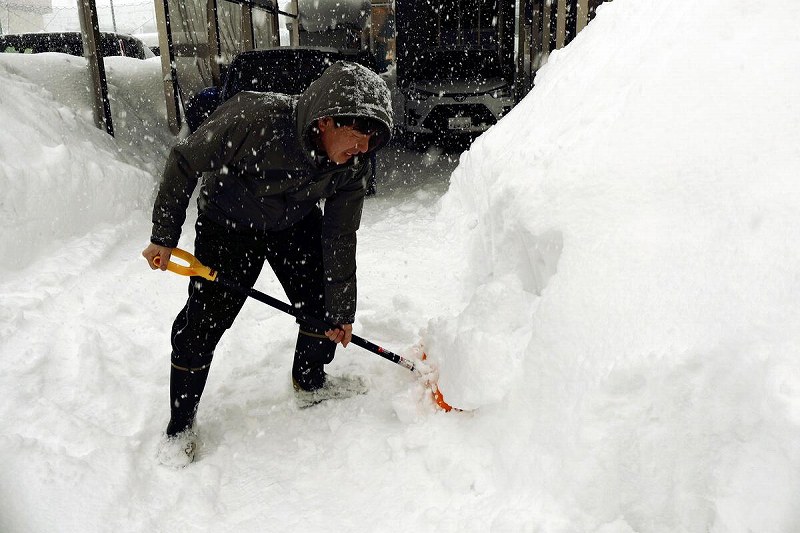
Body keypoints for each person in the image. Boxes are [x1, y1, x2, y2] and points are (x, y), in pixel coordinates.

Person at [142, 61, 393, 467]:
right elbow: (186, 160)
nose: (364, 149)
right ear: (327, 120)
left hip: (293, 223)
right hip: (229, 224)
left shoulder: (352, 164)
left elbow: (340, 236)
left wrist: (341, 311)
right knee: (204, 323)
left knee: (321, 303)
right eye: (360, 134)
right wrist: (164, 236)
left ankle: (310, 381)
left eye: (373, 140)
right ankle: (180, 425)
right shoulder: (252, 118)